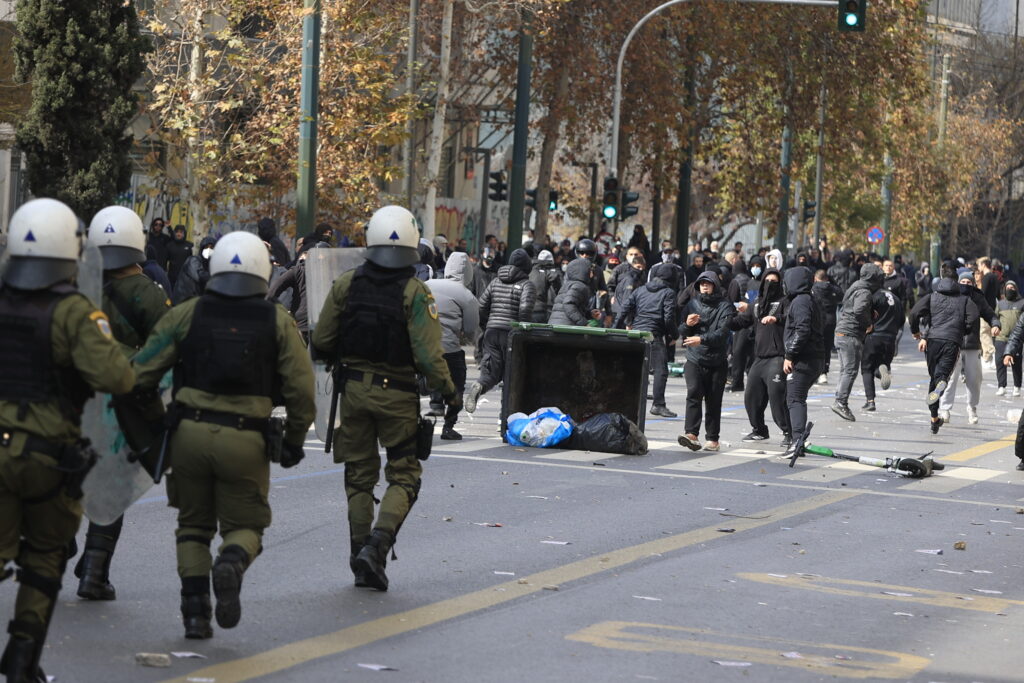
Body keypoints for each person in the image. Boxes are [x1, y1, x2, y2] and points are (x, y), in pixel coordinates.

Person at [133, 231, 315, 638]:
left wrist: (154, 419)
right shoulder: (278, 322)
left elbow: (140, 373)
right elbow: (303, 390)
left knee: (193, 527)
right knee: (245, 527)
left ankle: (195, 613)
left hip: (188, 434)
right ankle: (231, 562)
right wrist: (294, 441)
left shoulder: (188, 314)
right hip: (246, 439)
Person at [0, 199, 135, 682]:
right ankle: (21, 661)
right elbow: (118, 377)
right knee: (44, 556)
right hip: (44, 456)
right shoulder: (74, 311)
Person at [311, 206, 456, 591]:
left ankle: (360, 554)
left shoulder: (346, 284)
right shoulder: (416, 292)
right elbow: (429, 358)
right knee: (404, 474)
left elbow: (322, 340)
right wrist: (449, 392)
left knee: (358, 478)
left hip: (353, 392)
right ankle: (376, 548)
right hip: (398, 396)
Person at [74, 206, 172, 603]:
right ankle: (94, 572)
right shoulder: (148, 293)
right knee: (112, 483)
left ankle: (57, 549)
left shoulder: (77, 287)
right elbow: (165, 349)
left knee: (67, 477)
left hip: (77, 399)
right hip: (123, 403)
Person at [909, 263, 993, 433]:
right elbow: (974, 316)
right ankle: (942, 385)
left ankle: (934, 419)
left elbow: (914, 314)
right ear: (957, 281)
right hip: (952, 341)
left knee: (934, 378)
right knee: (943, 376)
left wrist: (916, 332)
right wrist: (964, 330)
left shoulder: (932, 296)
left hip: (932, 341)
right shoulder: (965, 300)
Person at [466, 249, 536, 412]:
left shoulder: (496, 281)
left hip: (491, 331)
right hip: (512, 334)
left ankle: (480, 384)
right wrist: (523, 331)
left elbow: (481, 306)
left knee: (491, 370)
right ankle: (504, 417)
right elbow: (525, 310)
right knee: (511, 376)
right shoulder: (527, 285)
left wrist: (486, 325)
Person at [730, 268, 791, 446]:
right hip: (760, 358)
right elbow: (741, 322)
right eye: (767, 281)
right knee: (751, 396)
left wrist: (776, 319)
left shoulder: (785, 301)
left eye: (774, 281)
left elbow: (790, 318)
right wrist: (726, 317)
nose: (770, 284)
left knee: (777, 398)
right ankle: (759, 430)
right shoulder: (756, 303)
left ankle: (789, 432)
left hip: (778, 357)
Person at [676, 272, 735, 452]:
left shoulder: (725, 307)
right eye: (701, 283)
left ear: (715, 285)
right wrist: (687, 324)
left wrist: (701, 338)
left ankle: (712, 439)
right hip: (694, 358)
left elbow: (723, 333)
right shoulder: (692, 304)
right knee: (693, 392)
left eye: (708, 283)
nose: (704, 286)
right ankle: (691, 434)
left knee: (713, 400)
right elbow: (682, 329)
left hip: (717, 360)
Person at [425, 252, 479, 440]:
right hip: (449, 348)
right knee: (458, 383)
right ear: (467, 272)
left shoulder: (427, 285)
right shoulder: (466, 295)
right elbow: (471, 329)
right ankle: (449, 426)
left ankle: (435, 400)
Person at [614, 262, 679, 418]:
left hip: (637, 332)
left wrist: (617, 329)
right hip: (653, 334)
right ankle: (658, 405)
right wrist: (674, 335)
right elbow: (669, 318)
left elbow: (624, 308)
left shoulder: (640, 289)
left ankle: (627, 401)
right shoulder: (669, 293)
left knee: (636, 369)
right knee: (661, 371)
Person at [831, 263, 884, 421]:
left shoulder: (855, 286)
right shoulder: (865, 291)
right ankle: (841, 402)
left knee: (845, 370)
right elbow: (859, 310)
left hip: (841, 331)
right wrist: (868, 323)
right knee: (850, 371)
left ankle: (839, 398)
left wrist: (869, 312)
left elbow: (853, 307)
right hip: (851, 334)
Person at [782, 266, 825, 456]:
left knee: (795, 399)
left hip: (803, 359)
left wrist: (789, 355)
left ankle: (797, 440)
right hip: (814, 358)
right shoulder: (812, 300)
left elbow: (802, 330)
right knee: (797, 398)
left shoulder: (800, 301)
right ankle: (797, 439)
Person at [936, 269, 988, 425]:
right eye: (963, 282)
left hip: (972, 345)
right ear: (958, 283)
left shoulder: (978, 297)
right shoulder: (952, 296)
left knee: (974, 379)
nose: (965, 285)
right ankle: (944, 409)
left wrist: (996, 323)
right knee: (951, 378)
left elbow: (989, 312)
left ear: (972, 284)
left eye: (968, 282)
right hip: (954, 343)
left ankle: (972, 408)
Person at [859, 281, 902, 412]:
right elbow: (901, 320)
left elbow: (863, 312)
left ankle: (870, 401)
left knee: (866, 368)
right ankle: (881, 370)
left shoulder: (874, 296)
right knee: (882, 363)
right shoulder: (895, 298)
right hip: (890, 338)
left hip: (874, 335)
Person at [811, 269, 843, 384]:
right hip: (830, 321)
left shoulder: (813, 289)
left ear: (815, 278)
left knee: (815, 346)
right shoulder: (833, 289)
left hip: (817, 321)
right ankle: (824, 372)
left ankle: (815, 371)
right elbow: (841, 295)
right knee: (827, 347)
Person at [995, 280, 1024, 396]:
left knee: (1016, 364)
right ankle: (1001, 386)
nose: (1010, 289)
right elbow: (995, 317)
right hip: (1001, 338)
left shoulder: (1022, 303)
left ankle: (1017, 386)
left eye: (1012, 288)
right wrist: (995, 326)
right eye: (1008, 287)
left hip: (1017, 339)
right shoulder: (1000, 304)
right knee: (1000, 363)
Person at [548, 258, 597, 326]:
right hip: (566, 327)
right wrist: (583, 323)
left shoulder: (567, 285)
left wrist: (590, 314)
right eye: (590, 270)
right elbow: (569, 304)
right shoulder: (579, 286)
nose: (592, 274)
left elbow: (575, 307)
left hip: (556, 324)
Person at [172, 235, 217, 304]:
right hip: (182, 301)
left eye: (211, 248)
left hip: (192, 301)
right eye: (206, 247)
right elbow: (200, 276)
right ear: (202, 248)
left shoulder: (207, 265)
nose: (209, 250)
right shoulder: (193, 260)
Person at [529, 249, 562, 323]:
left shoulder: (531, 271)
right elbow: (559, 289)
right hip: (543, 309)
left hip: (530, 308)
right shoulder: (552, 274)